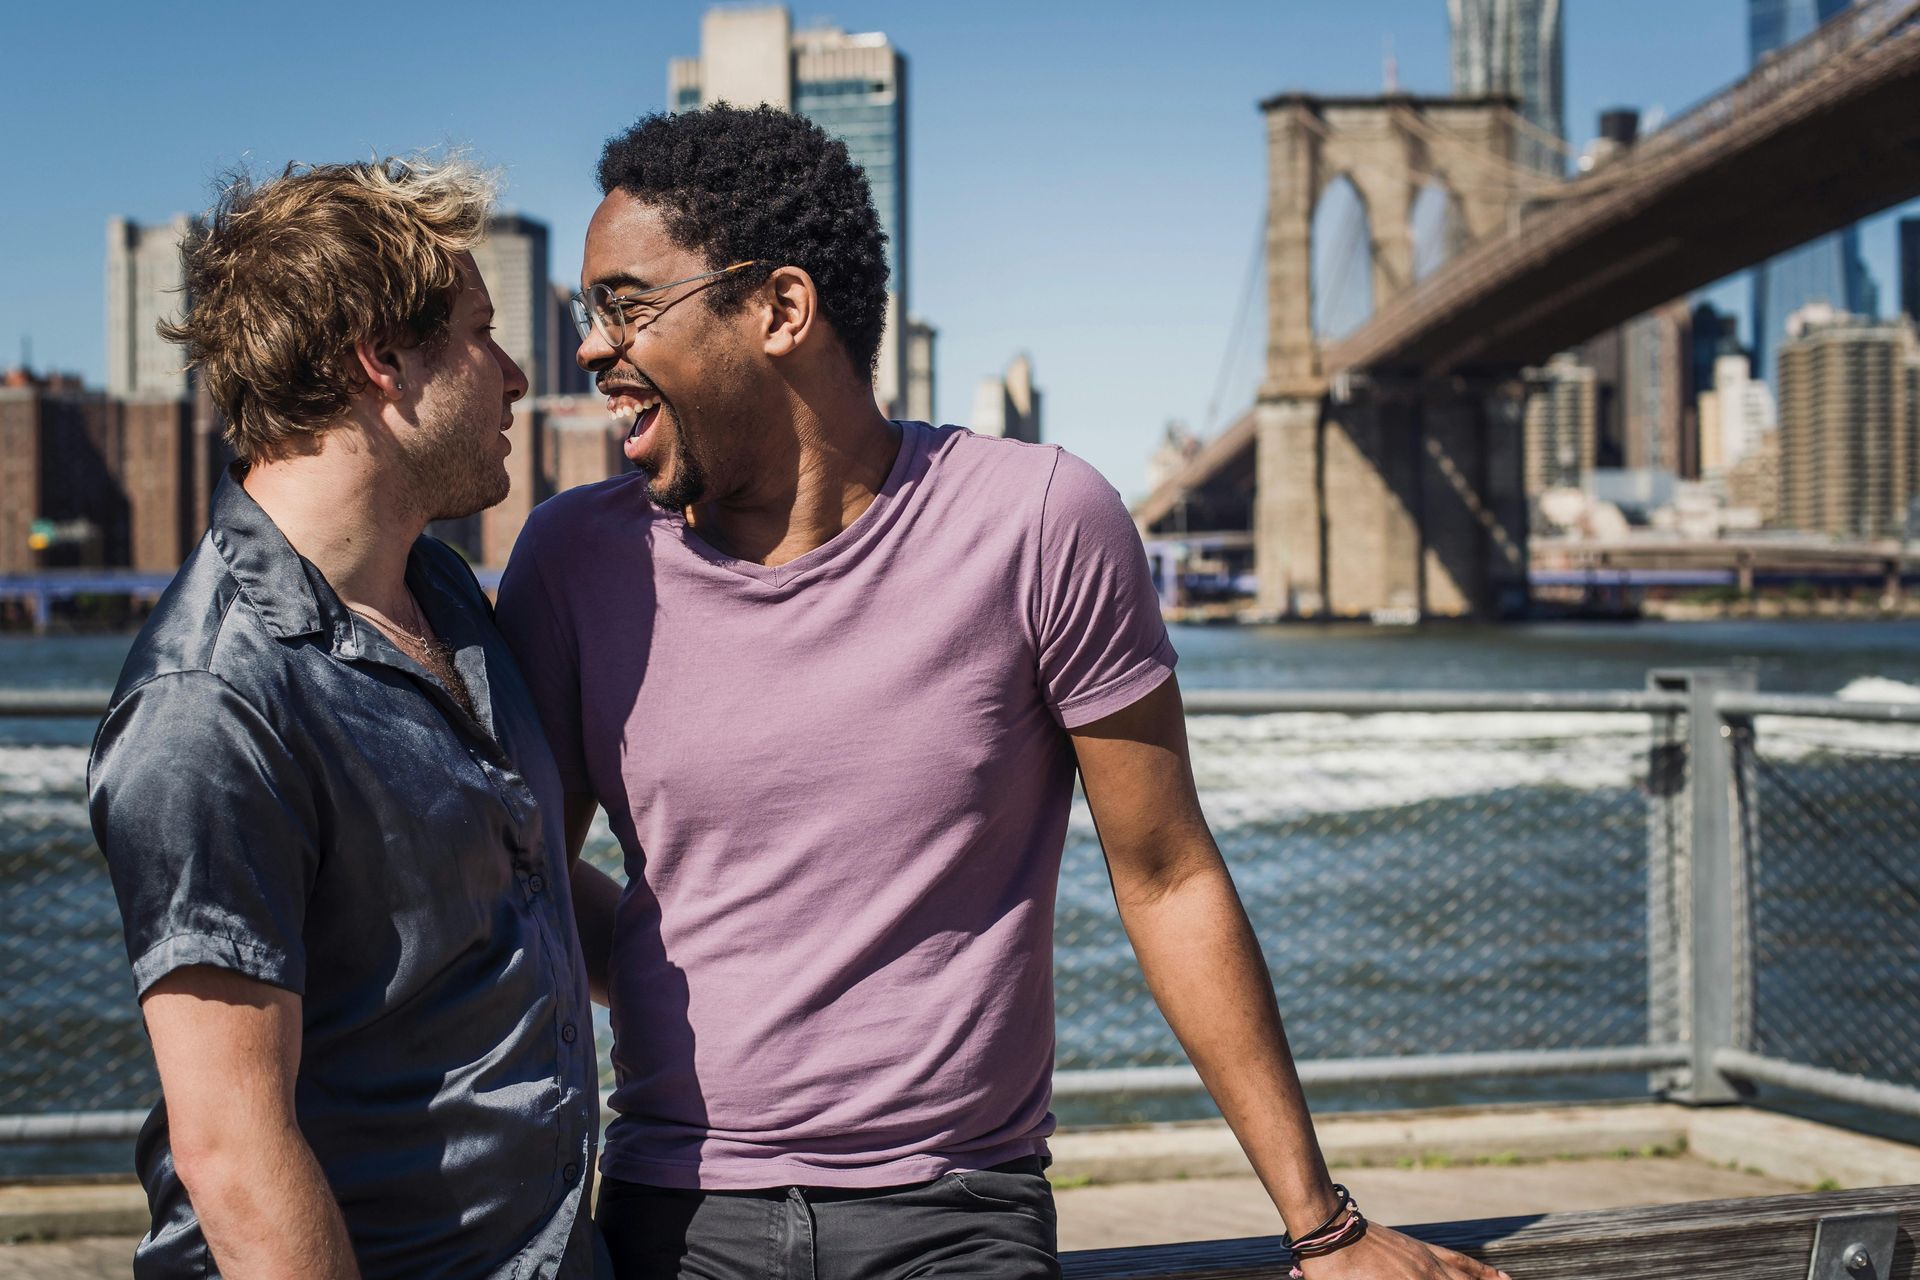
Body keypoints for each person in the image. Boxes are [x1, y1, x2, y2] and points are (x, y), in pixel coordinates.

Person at [497, 104, 1509, 1280]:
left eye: (625, 304)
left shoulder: (1039, 521)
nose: (588, 347)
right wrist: (703, 967)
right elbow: (516, 878)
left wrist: (1322, 1225)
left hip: (958, 1215)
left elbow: (1168, 872)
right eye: (589, 311)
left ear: (779, 309)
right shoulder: (575, 559)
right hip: (674, 1212)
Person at [89, 157, 608, 1280]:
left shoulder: (451, 595)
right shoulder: (211, 703)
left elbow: (520, 887)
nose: (518, 374)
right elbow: (234, 1151)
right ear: (382, 356)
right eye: (481, 332)